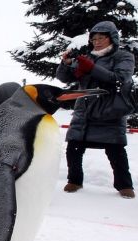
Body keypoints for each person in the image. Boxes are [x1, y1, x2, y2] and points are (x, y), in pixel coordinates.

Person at [56, 21, 135, 199]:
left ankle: (124, 185)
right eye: (94, 38)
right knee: (74, 147)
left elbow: (120, 78)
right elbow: (63, 77)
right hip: (84, 109)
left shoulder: (124, 56)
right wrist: (66, 63)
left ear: (112, 38)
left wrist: (91, 68)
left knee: (115, 150)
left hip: (110, 110)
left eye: (101, 38)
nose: (97, 42)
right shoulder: (87, 57)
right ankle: (74, 180)